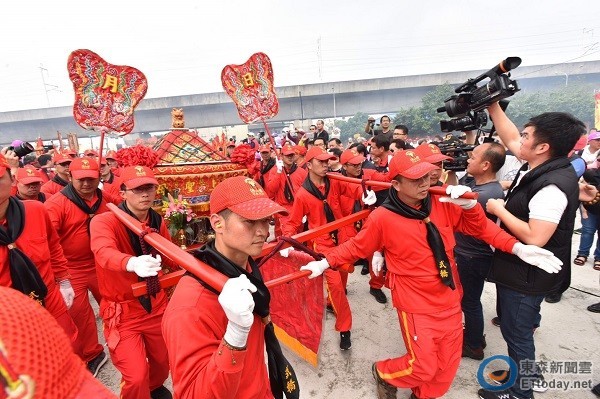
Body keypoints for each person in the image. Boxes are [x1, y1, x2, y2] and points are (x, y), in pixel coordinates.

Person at [298, 149, 562, 399]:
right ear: (397, 184)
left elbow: (482, 230)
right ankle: (384, 372)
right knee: (422, 365)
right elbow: (357, 246)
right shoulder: (383, 218)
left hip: (448, 297)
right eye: (416, 179)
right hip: (415, 303)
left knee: (447, 366)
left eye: (427, 175)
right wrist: (323, 262)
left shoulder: (443, 202)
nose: (425, 182)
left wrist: (516, 247)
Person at [480, 104, 585, 399]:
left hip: (526, 276)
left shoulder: (551, 186)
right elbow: (511, 136)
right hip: (526, 273)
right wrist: (493, 107)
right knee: (521, 328)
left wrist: (499, 208)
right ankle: (531, 376)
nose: (518, 141)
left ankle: (520, 392)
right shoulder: (546, 165)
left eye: (527, 136)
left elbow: (536, 237)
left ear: (543, 146)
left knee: (517, 333)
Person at [162, 176, 299, 399]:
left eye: (266, 220)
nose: (263, 231)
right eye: (250, 221)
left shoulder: (245, 265)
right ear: (217, 223)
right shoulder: (190, 307)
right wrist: (235, 335)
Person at [281, 146, 376, 350]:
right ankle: (344, 328)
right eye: (321, 162)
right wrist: (286, 240)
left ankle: (330, 304)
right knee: (335, 287)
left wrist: (365, 194)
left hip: (341, 239)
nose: (326, 165)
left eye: (327, 162)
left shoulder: (334, 181)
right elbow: (293, 221)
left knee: (341, 283)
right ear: (308, 165)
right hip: (322, 245)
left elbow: (353, 189)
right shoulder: (303, 195)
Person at [90, 166, 173, 399]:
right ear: (123, 193)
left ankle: (154, 388)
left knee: (163, 362)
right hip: (124, 311)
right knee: (135, 376)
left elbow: (170, 255)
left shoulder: (157, 219)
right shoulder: (104, 221)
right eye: (137, 189)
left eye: (149, 188)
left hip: (156, 305)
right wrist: (131, 263)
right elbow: (103, 252)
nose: (145, 194)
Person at [45, 157, 119, 376]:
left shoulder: (107, 198)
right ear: (70, 177)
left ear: (99, 177)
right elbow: (49, 240)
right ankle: (92, 354)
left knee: (115, 305)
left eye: (91, 179)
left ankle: (123, 344)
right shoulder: (56, 204)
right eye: (81, 179)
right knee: (79, 314)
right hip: (72, 269)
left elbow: (126, 215)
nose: (86, 184)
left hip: (102, 264)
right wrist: (59, 275)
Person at [0, 151, 78, 350]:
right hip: (8, 315)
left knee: (67, 348)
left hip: (48, 296)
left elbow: (53, 247)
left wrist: (64, 280)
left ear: (11, 178)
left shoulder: (35, 210)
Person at [0, 286, 117, 399]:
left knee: (72, 342)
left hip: (37, 294)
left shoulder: (11, 302)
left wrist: (63, 279)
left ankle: (92, 355)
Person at [454, 142, 506, 360]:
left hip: (472, 256)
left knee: (470, 301)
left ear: (485, 165)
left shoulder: (482, 196)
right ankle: (475, 336)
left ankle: (474, 345)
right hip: (472, 253)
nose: (468, 160)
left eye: (473, 157)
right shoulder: (487, 187)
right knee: (472, 299)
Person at [264, 143, 308, 238]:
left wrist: (306, 211)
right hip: (282, 210)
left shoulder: (301, 172)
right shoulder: (275, 171)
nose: (290, 157)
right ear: (281, 156)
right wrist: (279, 173)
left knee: (299, 238)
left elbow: (307, 193)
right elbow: (271, 190)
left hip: (297, 209)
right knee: (283, 239)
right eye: (287, 155)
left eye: (292, 155)